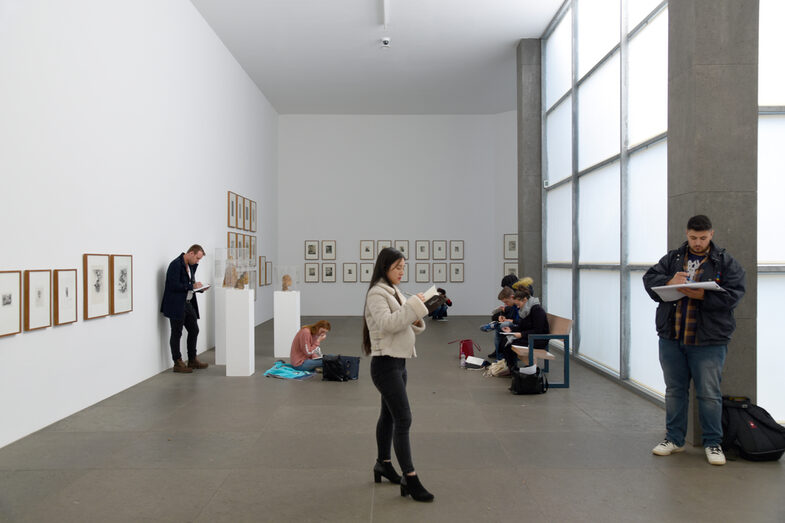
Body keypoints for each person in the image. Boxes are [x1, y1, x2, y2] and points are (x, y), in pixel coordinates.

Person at [643, 215, 745, 466]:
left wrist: (703, 296)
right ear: (687, 234)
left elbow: (734, 295)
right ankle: (675, 439)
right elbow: (649, 280)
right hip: (672, 336)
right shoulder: (673, 259)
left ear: (711, 234)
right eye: (693, 237)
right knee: (675, 391)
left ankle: (713, 442)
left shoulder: (725, 262)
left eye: (702, 238)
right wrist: (669, 281)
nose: (697, 242)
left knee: (709, 393)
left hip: (709, 341)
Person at [363, 247, 434, 502]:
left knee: (389, 417)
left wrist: (417, 311)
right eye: (398, 268)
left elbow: (408, 326)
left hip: (399, 364)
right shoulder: (376, 293)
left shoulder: (394, 291)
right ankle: (410, 477)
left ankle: (383, 463)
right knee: (403, 419)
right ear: (385, 268)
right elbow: (388, 324)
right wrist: (414, 306)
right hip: (384, 366)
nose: (402, 272)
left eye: (404, 267)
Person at [160, 245, 208, 373]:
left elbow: (188, 286)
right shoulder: (175, 265)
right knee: (177, 332)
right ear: (191, 253)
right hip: (176, 304)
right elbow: (174, 285)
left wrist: (199, 289)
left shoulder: (191, 266)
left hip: (187, 303)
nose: (198, 261)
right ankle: (178, 362)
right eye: (197, 258)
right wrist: (192, 286)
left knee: (194, 330)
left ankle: (192, 359)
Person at [500, 288, 550, 372]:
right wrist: (511, 330)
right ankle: (511, 368)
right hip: (530, 337)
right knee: (505, 340)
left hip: (538, 339)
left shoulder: (537, 310)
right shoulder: (527, 310)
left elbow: (538, 331)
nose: (518, 307)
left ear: (525, 300)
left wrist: (521, 334)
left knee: (508, 343)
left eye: (518, 304)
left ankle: (512, 369)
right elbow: (523, 326)